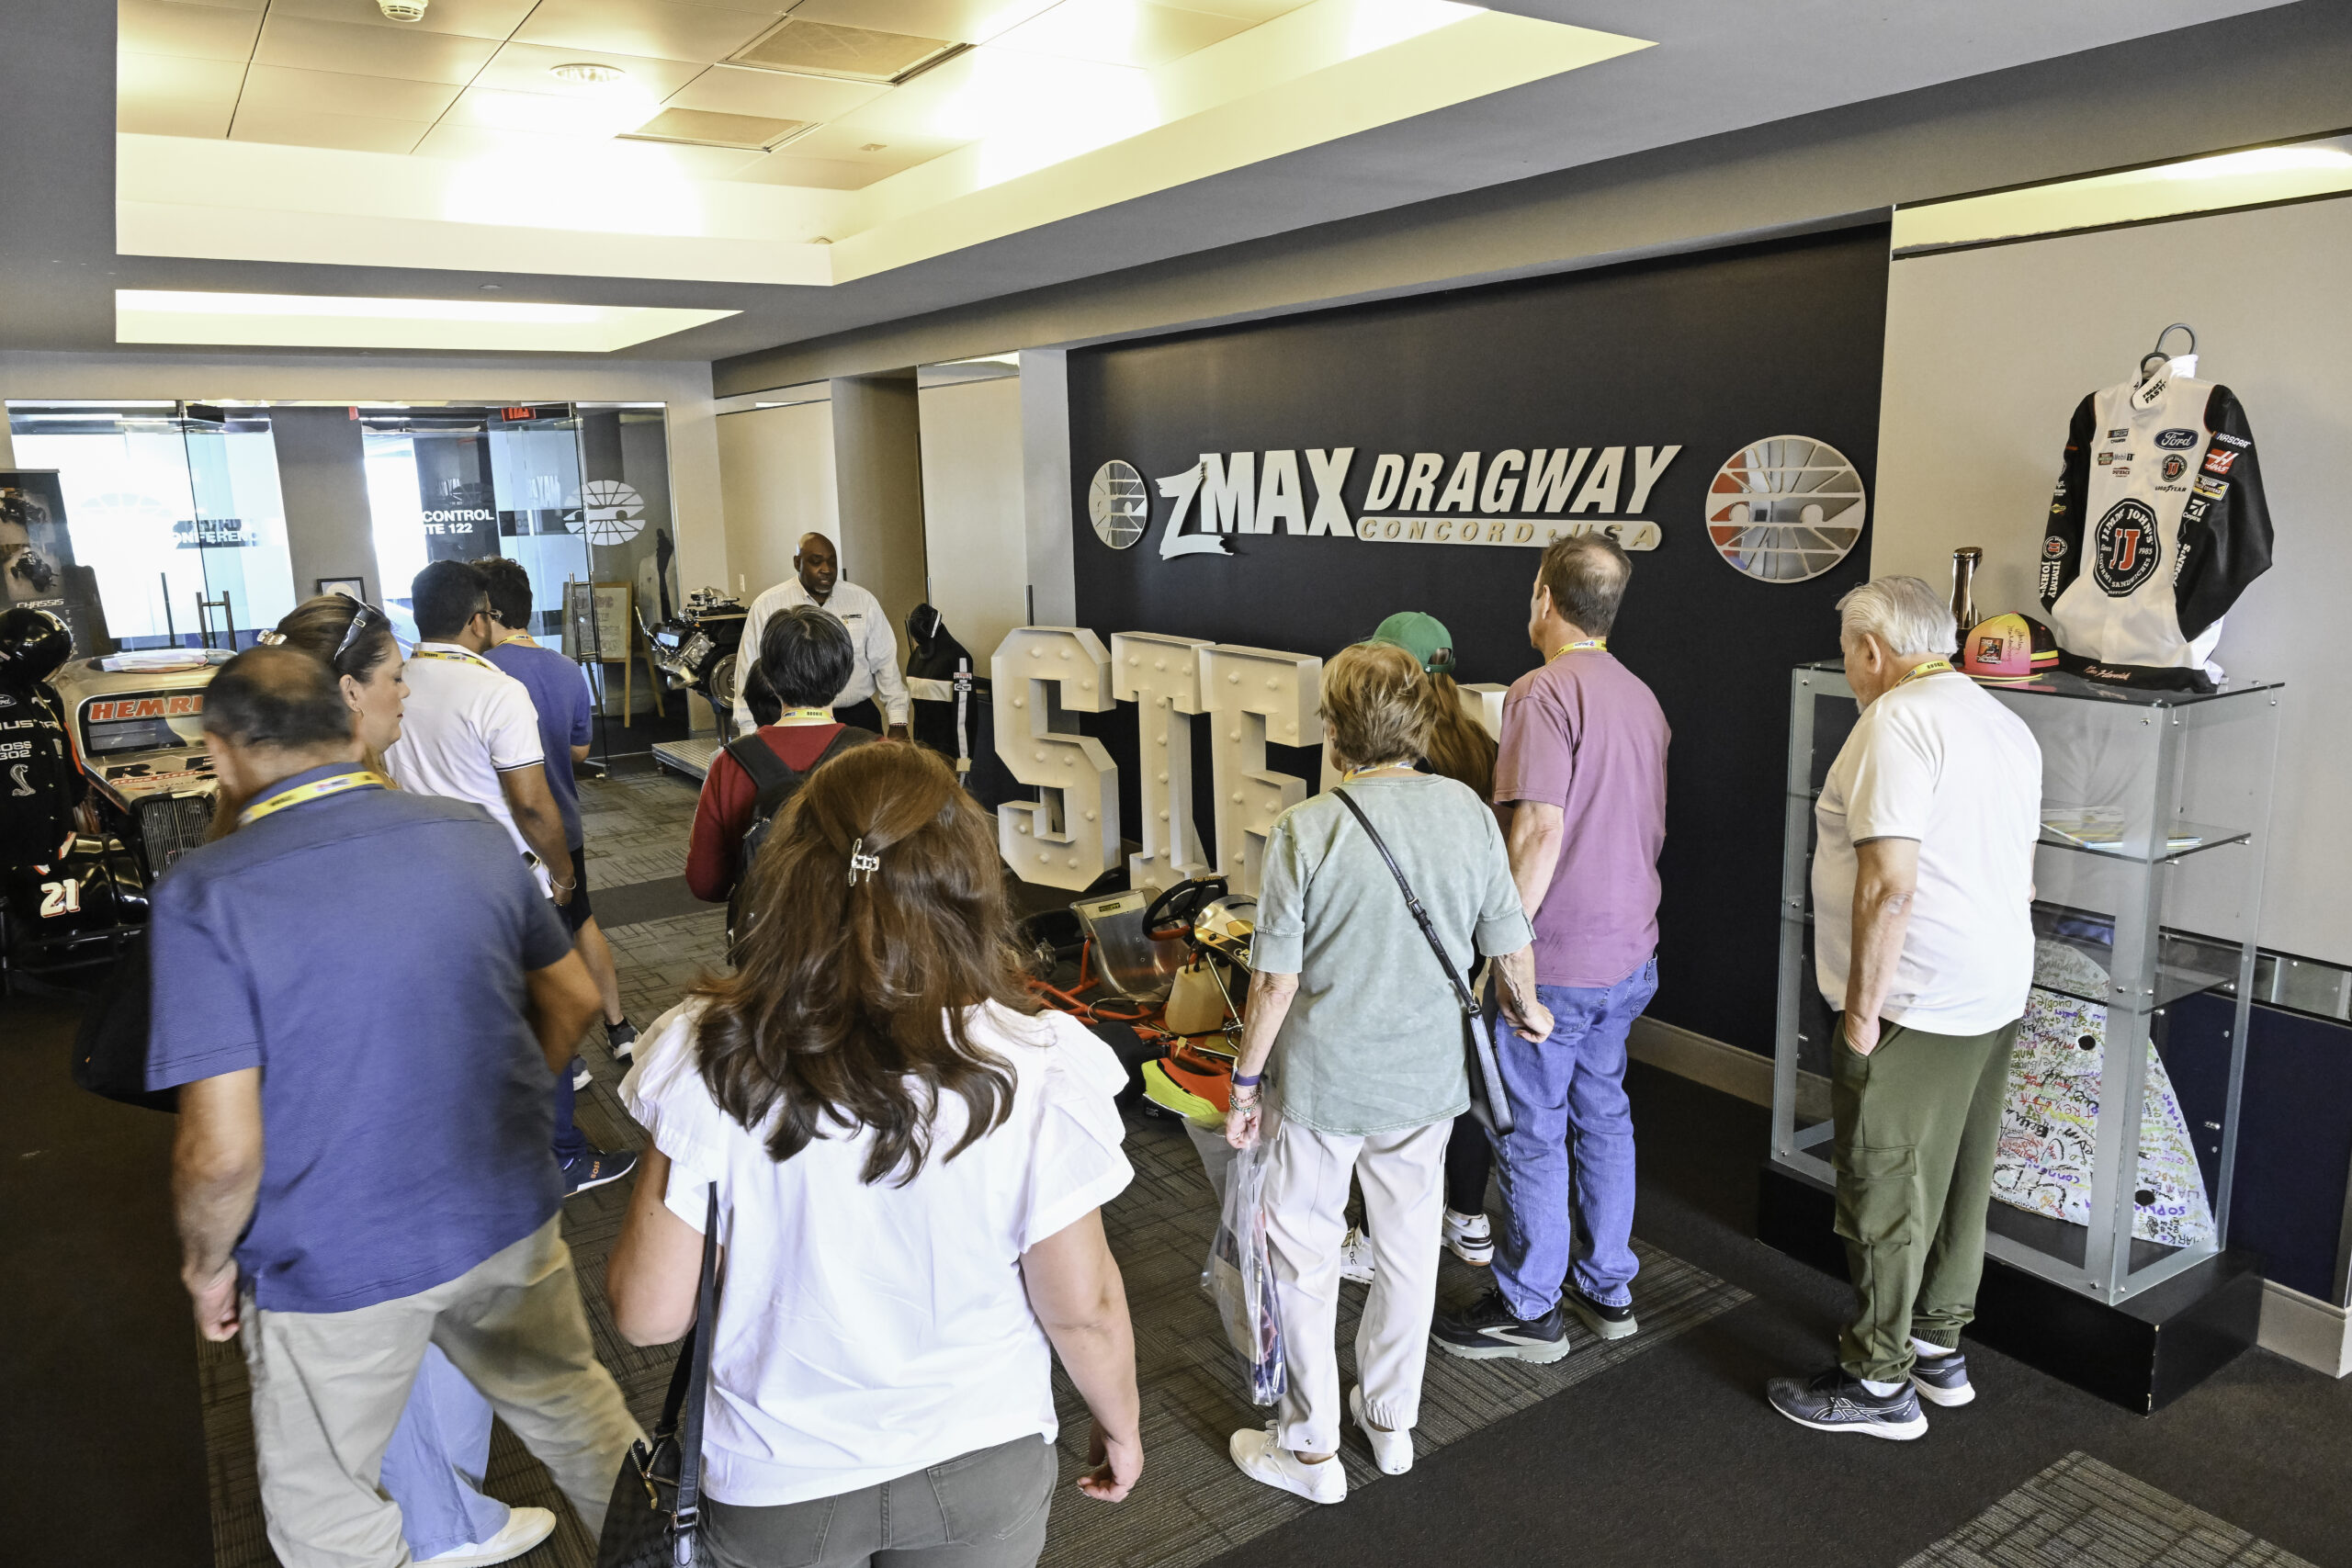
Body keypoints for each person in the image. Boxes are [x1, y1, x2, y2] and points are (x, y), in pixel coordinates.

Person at [151, 647, 644, 1568]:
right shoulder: (468, 831)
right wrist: (510, 1107)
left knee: (328, 1504)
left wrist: (207, 1263)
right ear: (350, 722)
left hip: (331, 1256)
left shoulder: (206, 892)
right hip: (503, 1210)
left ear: (220, 751)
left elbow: (220, 1151)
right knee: (580, 1414)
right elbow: (575, 996)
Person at [608, 741, 1143, 1567]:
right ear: (968, 886)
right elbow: (1084, 1306)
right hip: (981, 1457)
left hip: (776, 1477)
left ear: (786, 878)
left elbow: (647, 1315)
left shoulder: (705, 1052)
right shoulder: (1034, 1063)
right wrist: (1121, 1424)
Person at [262, 592, 555, 1568]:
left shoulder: (253, 827)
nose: (406, 692)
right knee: (425, 1336)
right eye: (393, 678)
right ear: (349, 692)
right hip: (403, 1147)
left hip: (324, 1153)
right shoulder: (409, 831)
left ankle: (440, 1512)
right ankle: (443, 1522)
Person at [1223, 641, 1550, 1502]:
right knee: (1407, 1249)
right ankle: (1390, 1419)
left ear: (1336, 733)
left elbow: (1275, 982)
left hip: (1324, 1083)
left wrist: (1245, 1085)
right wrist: (1528, 1006)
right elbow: (1509, 940)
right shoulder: (1467, 812)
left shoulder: (1307, 828)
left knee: (1303, 1254)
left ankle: (1310, 1448)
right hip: (1426, 1080)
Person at [1766, 576, 2041, 1438]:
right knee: (1959, 1175)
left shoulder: (1896, 720)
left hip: (1915, 997)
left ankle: (1878, 1381)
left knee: (1882, 1182)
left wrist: (1860, 1013)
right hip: (1994, 987)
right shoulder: (2002, 720)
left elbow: (1889, 885)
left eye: (1849, 655)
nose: (1851, 670)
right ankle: (1936, 1344)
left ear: (1871, 649)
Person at [1433, 536, 1668, 1361]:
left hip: (1559, 961)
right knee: (1604, 1113)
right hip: (1629, 956)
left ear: (1544, 597)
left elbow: (1537, 829)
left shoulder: (1542, 691)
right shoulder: (1640, 695)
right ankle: (1607, 1287)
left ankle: (1529, 1305)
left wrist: (1506, 954)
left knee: (1531, 1127)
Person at [385, 558, 634, 1196]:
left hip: (424, 879)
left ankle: (480, 1151)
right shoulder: (495, 689)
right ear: (479, 619)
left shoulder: (393, 685)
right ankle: (562, 1158)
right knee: (547, 1010)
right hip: (502, 882)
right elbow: (532, 805)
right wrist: (562, 874)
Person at [1334, 610, 1510, 1283]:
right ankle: (1466, 1216)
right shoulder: (1481, 743)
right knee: (1463, 1077)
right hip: (1465, 939)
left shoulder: (1400, 752)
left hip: (1402, 941)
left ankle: (1377, 1239)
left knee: (1394, 1091)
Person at [474, 557, 639, 1070]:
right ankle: (619, 1028)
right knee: (581, 919)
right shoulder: (567, 669)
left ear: (490, 611)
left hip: (515, 832)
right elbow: (579, 752)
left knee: (526, 945)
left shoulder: (485, 674)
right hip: (565, 824)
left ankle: (566, 1057)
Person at [685, 604, 878, 908]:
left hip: (769, 930)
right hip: (860, 928)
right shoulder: (881, 755)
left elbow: (706, 882)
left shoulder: (731, 763)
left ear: (769, 679)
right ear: (844, 675)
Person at [731, 533, 910, 739]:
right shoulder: (767, 605)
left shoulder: (863, 600)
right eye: (816, 562)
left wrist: (898, 720)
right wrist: (747, 732)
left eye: (832, 562)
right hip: (791, 722)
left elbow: (886, 663)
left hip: (856, 717)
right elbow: (748, 671)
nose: (826, 569)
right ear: (797, 562)